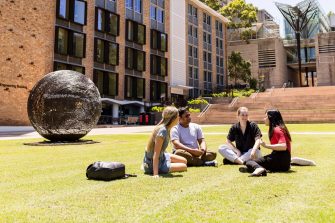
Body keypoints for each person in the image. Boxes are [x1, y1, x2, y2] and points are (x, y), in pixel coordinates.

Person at [143, 106, 187, 178]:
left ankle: (167, 163)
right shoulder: (162, 130)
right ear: (173, 118)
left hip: (162, 156)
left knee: (184, 160)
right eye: (178, 116)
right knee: (184, 166)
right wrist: (155, 174)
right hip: (154, 164)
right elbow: (156, 153)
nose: (179, 118)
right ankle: (164, 166)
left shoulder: (165, 128)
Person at [245, 109, 292, 176]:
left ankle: (259, 169)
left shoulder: (277, 130)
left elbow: (283, 146)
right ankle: (261, 168)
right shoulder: (279, 128)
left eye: (266, 117)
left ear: (271, 118)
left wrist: (266, 145)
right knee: (255, 163)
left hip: (280, 160)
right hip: (285, 163)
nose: (264, 119)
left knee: (249, 162)